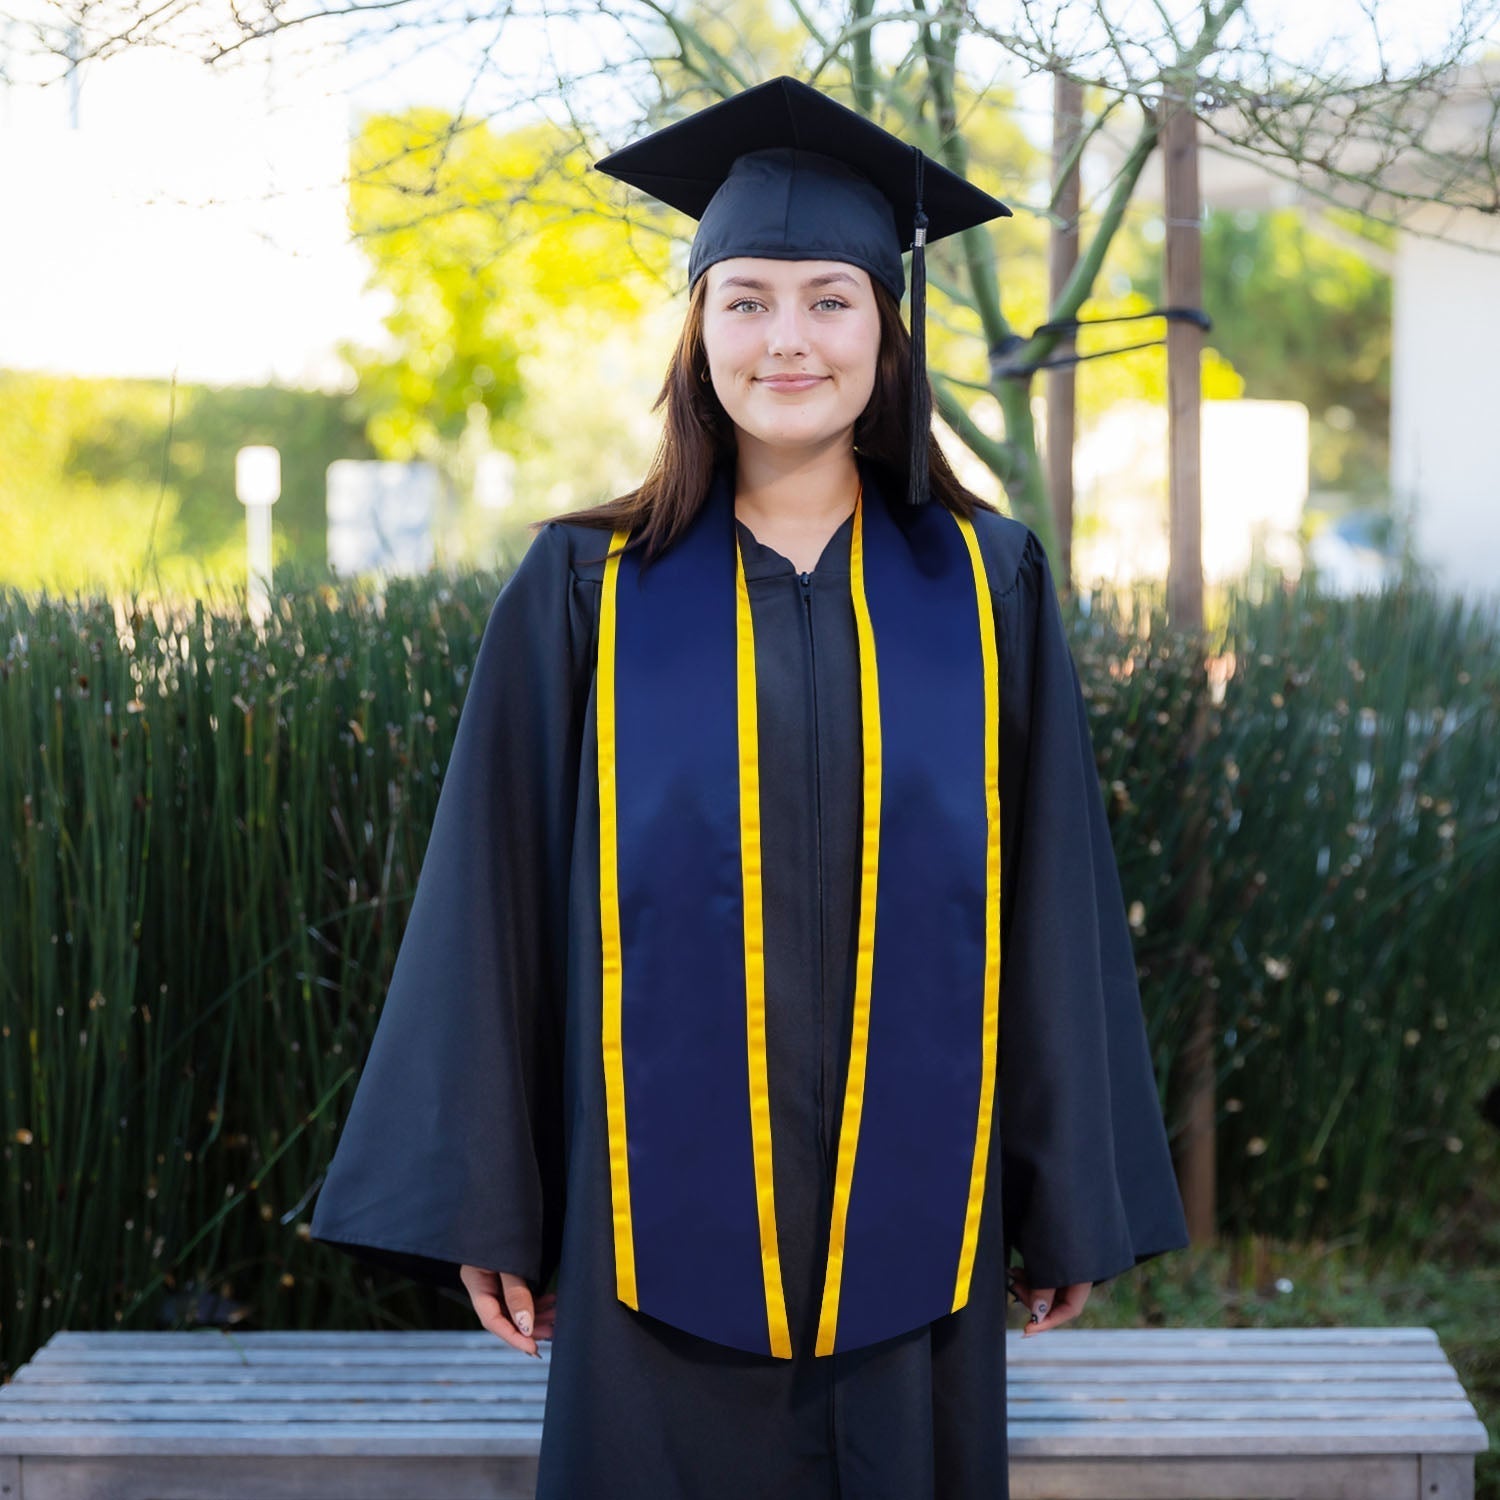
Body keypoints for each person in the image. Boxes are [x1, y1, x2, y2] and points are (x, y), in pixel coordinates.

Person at [309, 75, 1190, 1499]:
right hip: (645, 1243)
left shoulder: (986, 586)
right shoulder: (584, 591)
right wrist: (494, 1196)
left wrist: (1063, 1196)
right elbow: (496, 898)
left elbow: (1052, 902)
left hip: (922, 1240)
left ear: (887, 335)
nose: (789, 339)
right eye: (749, 301)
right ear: (697, 335)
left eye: (832, 299)